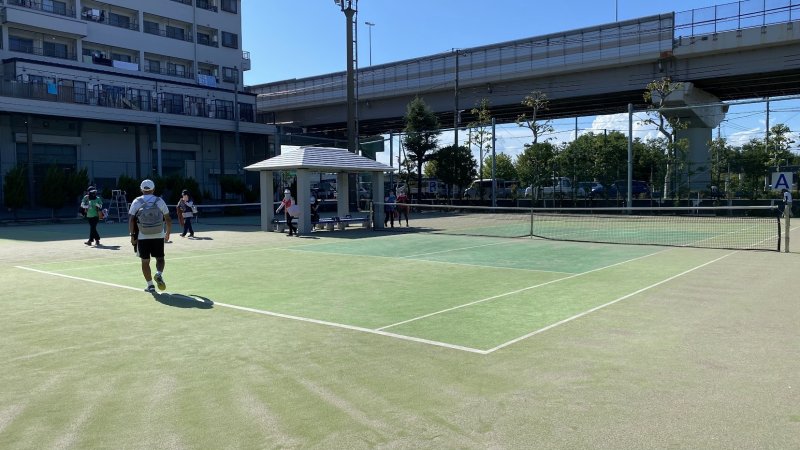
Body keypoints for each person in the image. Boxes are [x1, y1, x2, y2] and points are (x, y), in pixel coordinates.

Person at [129, 179, 172, 293]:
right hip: (158, 234)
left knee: (145, 261)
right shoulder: (159, 201)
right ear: (153, 189)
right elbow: (168, 219)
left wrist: (132, 236)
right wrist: (167, 233)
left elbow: (131, 220)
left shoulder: (137, 201)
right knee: (160, 258)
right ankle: (159, 274)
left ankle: (150, 285)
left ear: (141, 189)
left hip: (143, 236)